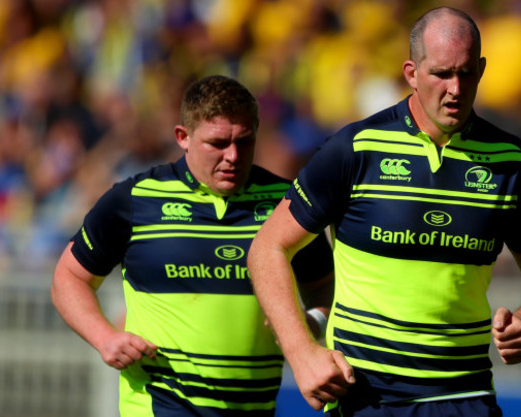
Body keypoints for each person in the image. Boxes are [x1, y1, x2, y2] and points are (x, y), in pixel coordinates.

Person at [247, 6, 521, 417]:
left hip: (463, 396)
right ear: (411, 73)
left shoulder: (510, 161)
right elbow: (267, 248)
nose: (455, 88)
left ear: (482, 70)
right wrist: (302, 353)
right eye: (441, 74)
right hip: (366, 396)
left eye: (467, 73)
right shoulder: (356, 149)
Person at [51, 75, 334, 417]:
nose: (232, 155)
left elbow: (324, 287)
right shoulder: (135, 200)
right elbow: (69, 277)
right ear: (183, 138)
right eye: (217, 143)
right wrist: (104, 338)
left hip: (252, 408)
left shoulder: (287, 204)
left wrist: (312, 323)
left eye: (244, 142)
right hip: (159, 404)